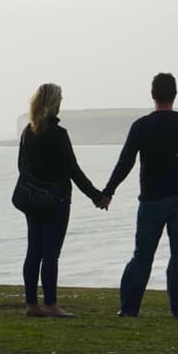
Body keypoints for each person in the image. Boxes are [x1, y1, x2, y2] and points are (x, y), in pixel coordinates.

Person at [101, 72, 178, 318]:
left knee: (142, 255)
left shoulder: (141, 126)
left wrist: (108, 192)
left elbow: (124, 163)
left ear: (152, 95)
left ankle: (129, 308)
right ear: (175, 95)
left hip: (151, 198)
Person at [18, 83, 105, 318]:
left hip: (32, 200)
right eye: (60, 99)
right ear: (54, 103)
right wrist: (98, 197)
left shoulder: (28, 131)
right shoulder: (58, 134)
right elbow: (73, 171)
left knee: (33, 251)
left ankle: (31, 304)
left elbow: (21, 167)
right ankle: (51, 304)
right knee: (50, 254)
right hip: (55, 201)